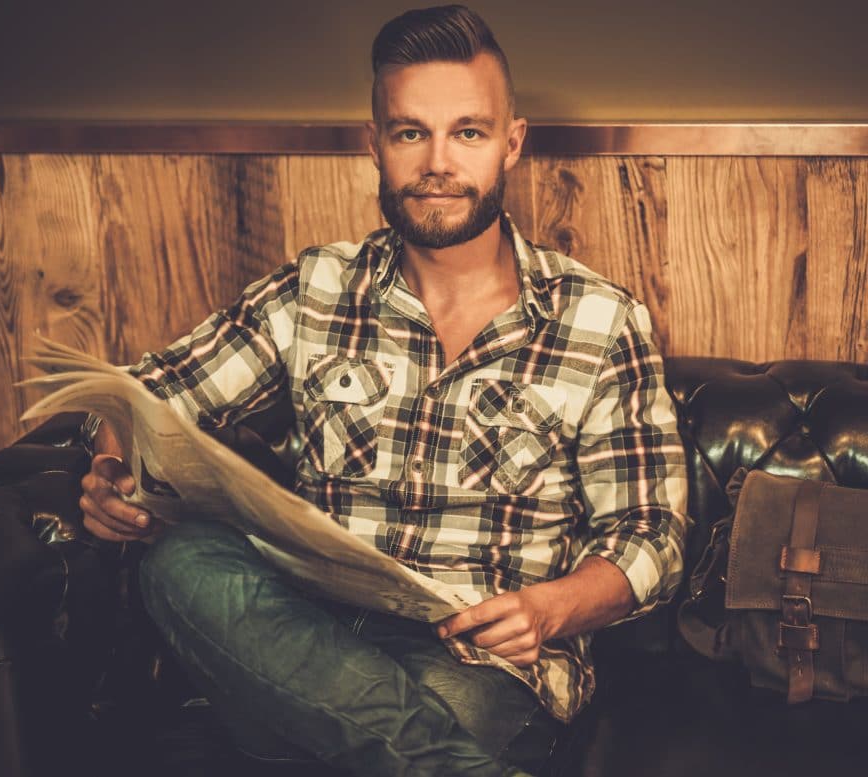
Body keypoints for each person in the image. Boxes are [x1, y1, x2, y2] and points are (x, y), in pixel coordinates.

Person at [78, 6, 689, 776]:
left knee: (381, 717)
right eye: (410, 132)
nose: (437, 161)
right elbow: (146, 392)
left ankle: (311, 729)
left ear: (512, 142)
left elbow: (651, 536)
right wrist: (110, 469)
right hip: (303, 621)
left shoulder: (599, 319)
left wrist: (548, 608)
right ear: (376, 145)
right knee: (181, 560)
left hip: (475, 660)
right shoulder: (316, 288)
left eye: (467, 131)